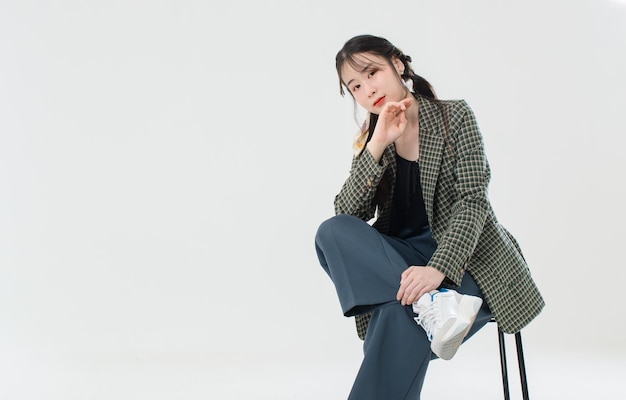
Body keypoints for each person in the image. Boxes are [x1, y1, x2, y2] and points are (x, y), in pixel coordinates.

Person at [314, 34, 545, 399]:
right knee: (330, 233)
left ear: (398, 65)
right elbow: (348, 218)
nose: (366, 89)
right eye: (354, 85)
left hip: (469, 264)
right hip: (403, 267)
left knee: (396, 319)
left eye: (371, 72)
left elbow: (473, 202)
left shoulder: (454, 116)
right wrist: (377, 144)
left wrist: (438, 270)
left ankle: (431, 300)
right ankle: (432, 304)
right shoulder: (374, 140)